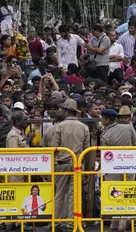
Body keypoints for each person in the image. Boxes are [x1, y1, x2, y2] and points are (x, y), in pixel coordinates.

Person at [49, 99, 90, 231]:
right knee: (74, 194)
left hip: (62, 163)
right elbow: (87, 149)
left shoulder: (58, 127)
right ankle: (72, 222)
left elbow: (53, 147)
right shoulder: (84, 127)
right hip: (77, 164)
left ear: (66, 111)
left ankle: (56, 221)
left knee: (59, 193)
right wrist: (88, 168)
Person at [100, 108, 136, 232]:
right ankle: (122, 224)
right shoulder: (128, 128)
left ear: (107, 119)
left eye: (102, 118)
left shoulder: (105, 135)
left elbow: (104, 155)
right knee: (127, 194)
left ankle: (114, 225)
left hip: (113, 168)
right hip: (130, 165)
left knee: (114, 196)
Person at [6, 112, 29, 182]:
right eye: (24, 120)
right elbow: (13, 157)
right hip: (16, 172)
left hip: (23, 168)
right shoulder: (13, 135)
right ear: (17, 122)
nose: (26, 122)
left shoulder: (20, 133)